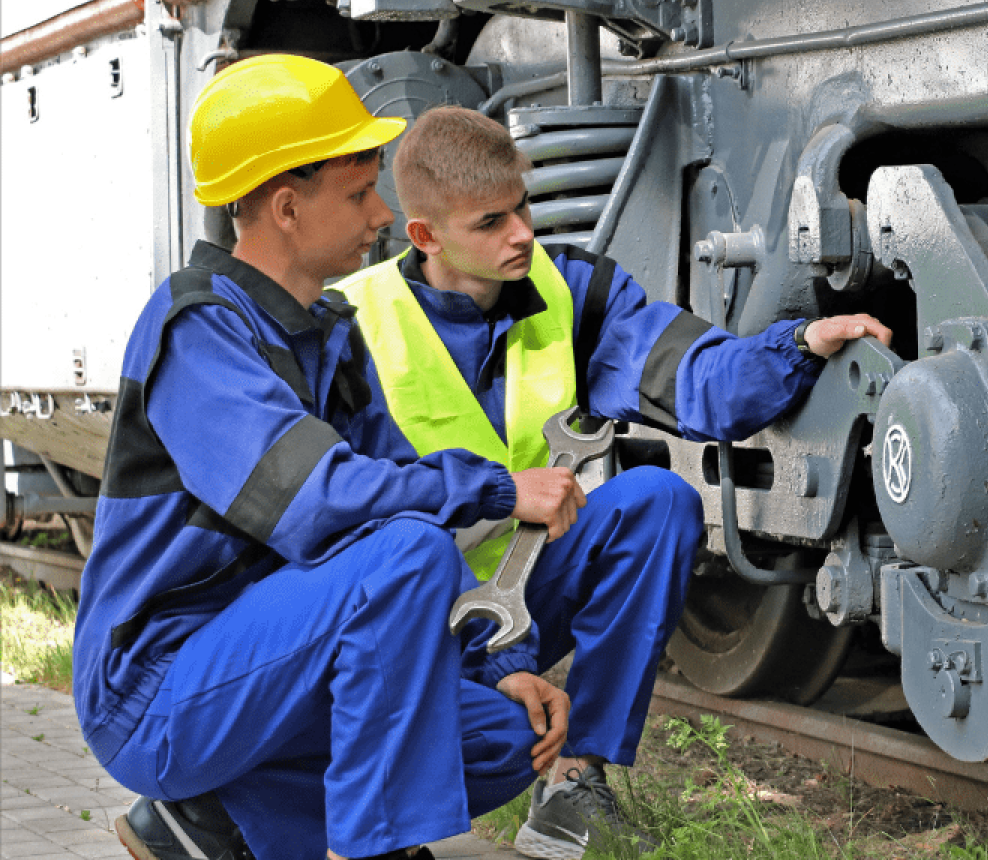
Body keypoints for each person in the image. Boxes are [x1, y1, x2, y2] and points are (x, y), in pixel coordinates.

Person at [76, 59, 888, 860]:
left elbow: (688, 375)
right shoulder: (200, 330)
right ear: (287, 207)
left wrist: (499, 660)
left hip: (295, 651)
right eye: (360, 193)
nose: (379, 213)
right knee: (405, 551)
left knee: (508, 733)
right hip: (158, 684)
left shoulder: (323, 334)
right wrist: (498, 489)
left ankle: (224, 820)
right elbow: (314, 502)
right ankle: (358, 843)